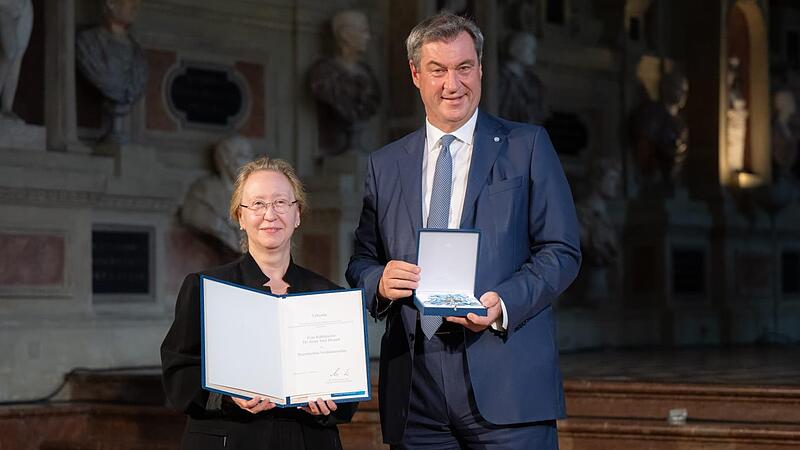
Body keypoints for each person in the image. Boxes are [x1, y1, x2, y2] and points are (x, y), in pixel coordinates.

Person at [346, 13, 581, 449]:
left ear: (480, 69)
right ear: (416, 75)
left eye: (464, 67)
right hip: (415, 389)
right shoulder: (386, 163)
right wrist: (377, 281)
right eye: (438, 70)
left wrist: (505, 302)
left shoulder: (526, 146)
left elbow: (562, 250)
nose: (452, 83)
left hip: (507, 380)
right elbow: (361, 260)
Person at [162, 156, 357, 450]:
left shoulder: (327, 295)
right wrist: (226, 398)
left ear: (297, 215)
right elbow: (179, 377)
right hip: (232, 438)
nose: (270, 214)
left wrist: (332, 402)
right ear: (240, 217)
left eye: (281, 203)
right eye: (257, 204)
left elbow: (346, 393)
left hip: (307, 440)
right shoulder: (205, 288)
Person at [309, 9, 380, 156]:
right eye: (363, 31)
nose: (368, 37)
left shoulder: (369, 75)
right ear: (345, 35)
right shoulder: (324, 73)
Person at [76, 0, 148, 143]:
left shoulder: (138, 54)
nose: (136, 5)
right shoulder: (88, 44)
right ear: (110, 3)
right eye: (131, 0)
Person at [181, 135, 254, 252]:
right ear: (225, 160)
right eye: (242, 156)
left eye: (250, 156)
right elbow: (191, 215)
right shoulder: (204, 191)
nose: (249, 163)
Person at [498, 31, 548, 125]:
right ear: (515, 48)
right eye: (528, 47)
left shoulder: (533, 81)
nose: (533, 52)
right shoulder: (500, 76)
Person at [0, 0, 33, 121]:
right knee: (10, 53)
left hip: (22, 6)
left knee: (16, 56)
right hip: (5, 6)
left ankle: (7, 107)